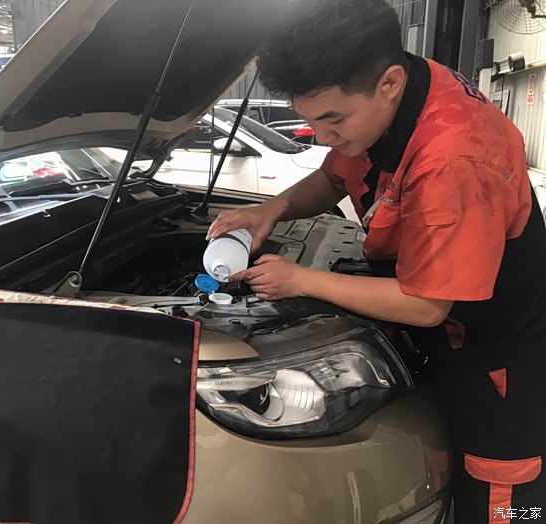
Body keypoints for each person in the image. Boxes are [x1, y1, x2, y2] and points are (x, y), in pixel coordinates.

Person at [207, 0, 546, 521]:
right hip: (449, 341)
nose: (323, 137)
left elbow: (427, 304)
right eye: (310, 121)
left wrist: (301, 280)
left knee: (503, 500)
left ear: (389, 83)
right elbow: (334, 175)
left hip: (499, 362)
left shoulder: (452, 158)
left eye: (333, 121)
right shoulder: (393, 94)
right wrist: (271, 209)